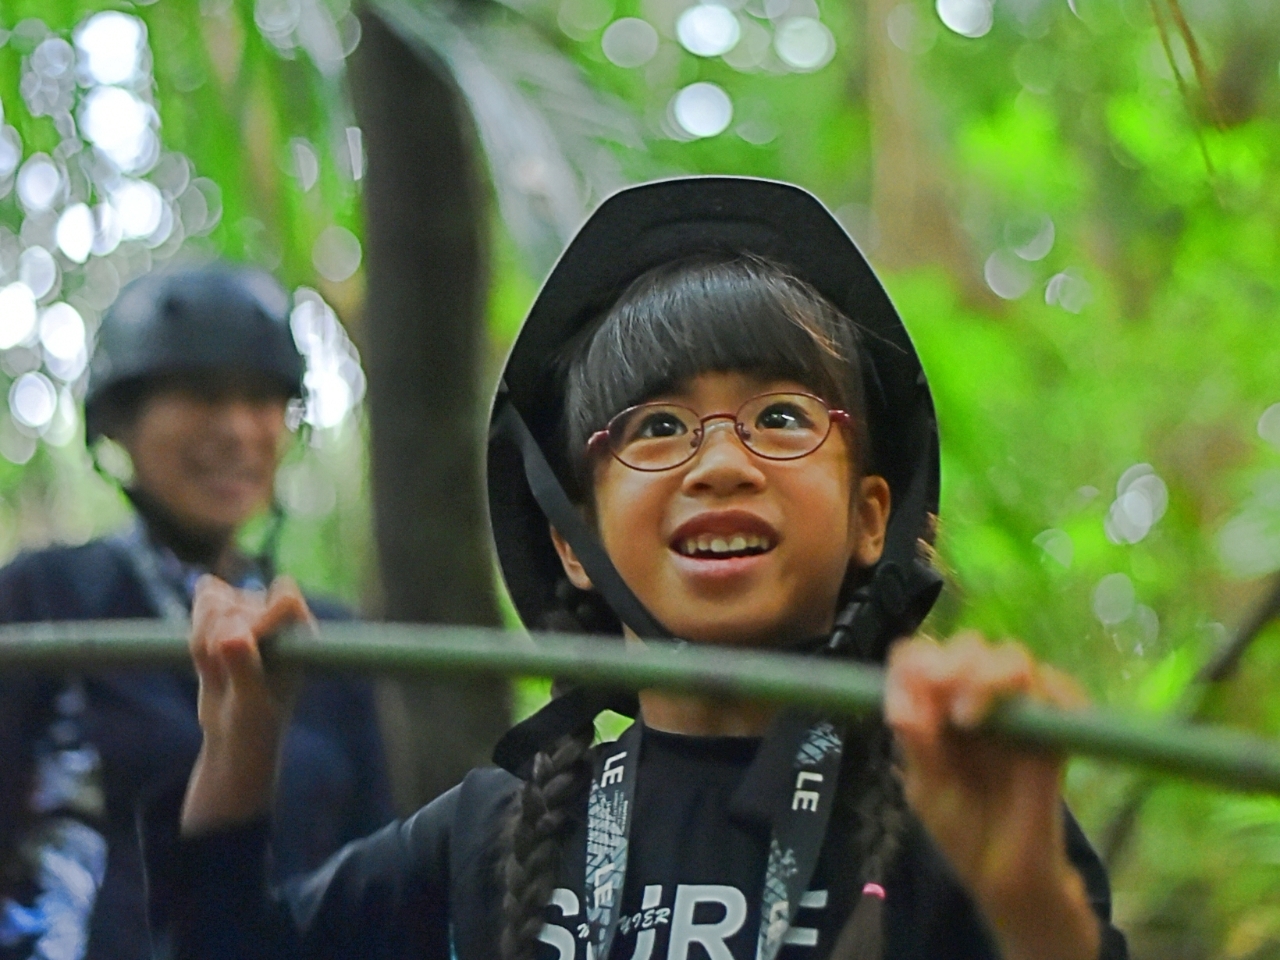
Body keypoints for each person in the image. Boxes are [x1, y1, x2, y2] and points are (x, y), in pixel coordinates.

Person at [143, 179, 1128, 960]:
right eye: (656, 428)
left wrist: (1029, 906)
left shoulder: (957, 814)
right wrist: (239, 747)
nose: (720, 461)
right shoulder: (492, 831)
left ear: (872, 517)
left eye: (780, 417)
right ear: (572, 539)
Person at [0, 265, 393, 960]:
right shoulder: (46, 599)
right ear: (117, 422)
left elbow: (373, 879)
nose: (238, 429)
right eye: (203, 396)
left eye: (262, 399)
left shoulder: (325, 638)